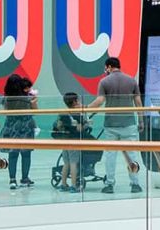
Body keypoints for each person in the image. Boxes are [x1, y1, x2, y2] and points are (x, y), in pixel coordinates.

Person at [87, 57, 144, 194]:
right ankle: (135, 184)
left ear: (109, 67)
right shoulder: (131, 80)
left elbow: (100, 100)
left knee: (110, 155)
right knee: (131, 155)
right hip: (129, 123)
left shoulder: (104, 81)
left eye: (106, 68)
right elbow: (138, 102)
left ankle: (110, 184)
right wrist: (141, 120)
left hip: (111, 124)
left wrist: (85, 109)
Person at [1, 74, 37, 190]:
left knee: (13, 154)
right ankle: (25, 178)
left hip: (11, 127)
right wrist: (34, 100)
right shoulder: (27, 98)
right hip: (26, 127)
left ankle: (12, 180)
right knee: (26, 154)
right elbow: (35, 111)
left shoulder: (6, 99)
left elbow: (6, 112)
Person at [53, 92, 86, 193]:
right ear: (75, 101)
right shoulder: (77, 114)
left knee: (66, 163)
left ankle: (63, 184)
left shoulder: (63, 113)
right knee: (73, 163)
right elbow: (80, 129)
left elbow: (58, 125)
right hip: (74, 141)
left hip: (64, 140)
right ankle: (73, 185)